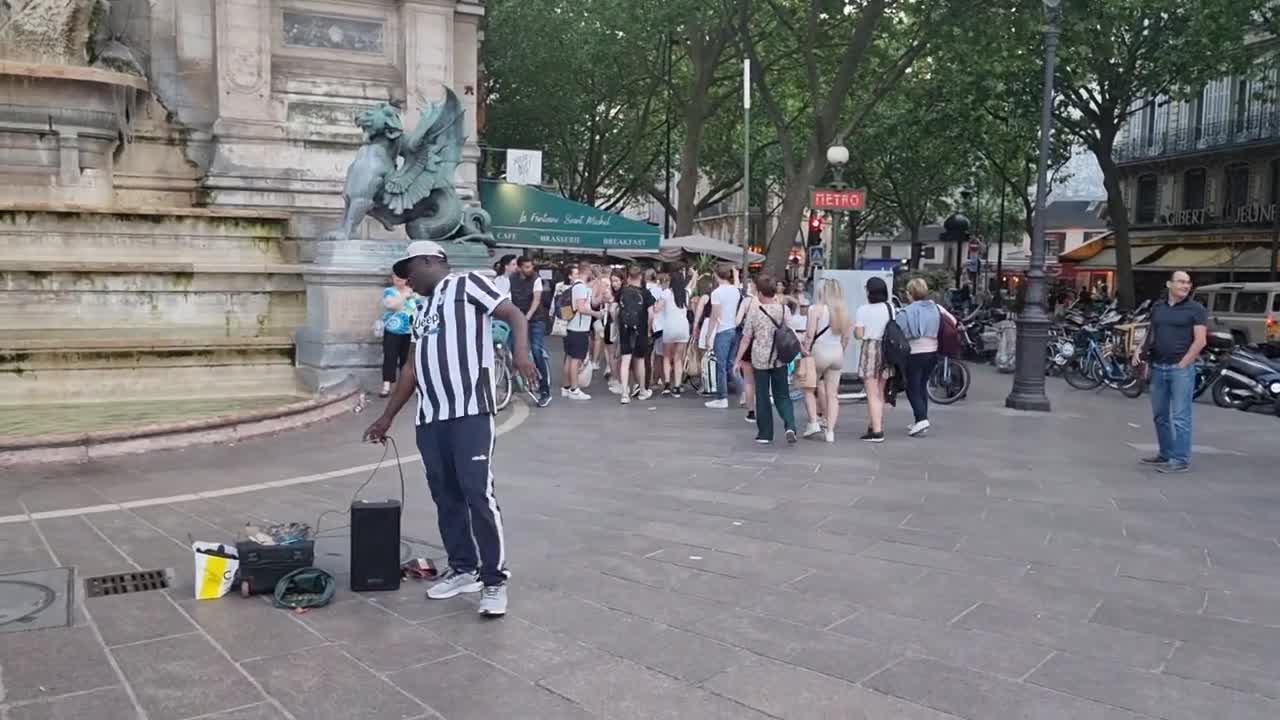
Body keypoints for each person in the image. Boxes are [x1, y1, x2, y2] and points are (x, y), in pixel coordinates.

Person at [363, 241, 535, 617]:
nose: (407, 277)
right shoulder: (421, 308)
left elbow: (514, 315)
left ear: (430, 260)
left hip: (470, 411)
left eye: (410, 268)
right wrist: (386, 416)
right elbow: (410, 367)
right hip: (431, 418)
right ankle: (463, 568)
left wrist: (522, 352)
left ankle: (494, 581)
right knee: (446, 496)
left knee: (477, 493)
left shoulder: (467, 283)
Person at [1135, 271, 1207, 474]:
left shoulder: (1196, 309)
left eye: (1188, 282)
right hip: (1158, 367)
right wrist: (1139, 349)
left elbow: (1200, 340)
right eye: (1181, 282)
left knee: (1180, 416)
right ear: (1169, 284)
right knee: (1160, 416)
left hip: (1180, 370)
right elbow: (1151, 332)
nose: (1186, 286)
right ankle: (1165, 454)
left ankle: (1180, 459)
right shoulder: (1158, 308)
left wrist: (1183, 364)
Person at [736, 273, 798, 444]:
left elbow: (746, 338)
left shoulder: (754, 312)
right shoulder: (784, 310)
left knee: (762, 395)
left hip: (760, 359)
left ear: (761, 293)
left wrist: (738, 359)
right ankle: (790, 425)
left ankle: (765, 433)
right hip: (780, 358)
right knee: (783, 395)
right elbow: (791, 332)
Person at [896, 278, 955, 437]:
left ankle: (921, 419)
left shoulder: (906, 311)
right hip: (933, 351)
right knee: (922, 386)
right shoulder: (936, 307)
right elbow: (953, 321)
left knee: (911, 387)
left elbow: (899, 331)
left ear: (910, 294)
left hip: (914, 352)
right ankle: (921, 420)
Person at [801, 279, 851, 443]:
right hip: (837, 352)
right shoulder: (843, 311)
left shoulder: (815, 309)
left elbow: (809, 334)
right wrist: (841, 350)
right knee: (833, 394)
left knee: (809, 388)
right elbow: (846, 337)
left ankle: (814, 422)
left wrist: (806, 350)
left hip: (819, 351)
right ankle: (830, 431)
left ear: (823, 292)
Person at [855, 276, 894, 443]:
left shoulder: (863, 310)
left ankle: (877, 431)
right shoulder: (890, 307)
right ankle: (873, 425)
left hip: (870, 348)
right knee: (880, 390)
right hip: (887, 350)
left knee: (871, 393)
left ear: (869, 292)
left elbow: (859, 334)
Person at [509, 256, 551, 407]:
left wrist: (526, 317)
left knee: (536, 349)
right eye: (526, 267)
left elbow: (536, 300)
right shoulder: (511, 278)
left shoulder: (536, 279)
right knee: (513, 349)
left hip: (535, 319)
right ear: (519, 267)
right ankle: (513, 385)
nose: (530, 269)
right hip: (517, 318)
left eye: (530, 266)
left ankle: (545, 390)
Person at [616, 266, 656, 404]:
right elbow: (651, 314)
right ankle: (643, 390)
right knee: (640, 361)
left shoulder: (622, 291)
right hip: (641, 329)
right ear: (640, 276)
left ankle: (624, 394)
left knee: (625, 360)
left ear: (628, 277)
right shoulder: (646, 293)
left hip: (625, 329)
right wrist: (649, 329)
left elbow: (614, 309)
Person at [561, 261, 601, 400]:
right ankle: (574, 389)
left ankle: (566, 387)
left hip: (571, 327)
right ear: (588, 271)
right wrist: (596, 314)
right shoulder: (580, 288)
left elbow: (591, 300)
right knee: (576, 360)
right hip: (579, 328)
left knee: (570, 358)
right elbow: (581, 308)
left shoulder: (577, 286)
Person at [704, 265, 742, 409]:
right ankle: (745, 392)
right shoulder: (735, 290)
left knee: (720, 365)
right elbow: (737, 286)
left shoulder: (717, 293)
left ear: (715, 275)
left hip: (722, 331)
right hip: (734, 330)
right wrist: (736, 275)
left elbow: (714, 316)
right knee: (731, 365)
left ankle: (722, 398)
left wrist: (708, 335)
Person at [379, 274, 419, 398]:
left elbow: (421, 306)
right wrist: (404, 296)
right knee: (390, 357)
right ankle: (386, 386)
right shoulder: (389, 291)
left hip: (409, 331)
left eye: (401, 277)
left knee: (407, 360)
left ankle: (405, 387)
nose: (399, 279)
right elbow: (391, 305)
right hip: (393, 330)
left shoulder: (414, 292)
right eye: (396, 277)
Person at [655, 268, 692, 396]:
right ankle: (677, 385)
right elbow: (692, 285)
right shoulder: (686, 293)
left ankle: (666, 384)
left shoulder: (666, 293)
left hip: (670, 327)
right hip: (683, 328)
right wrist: (694, 275)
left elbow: (657, 309)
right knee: (678, 358)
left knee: (666, 356)